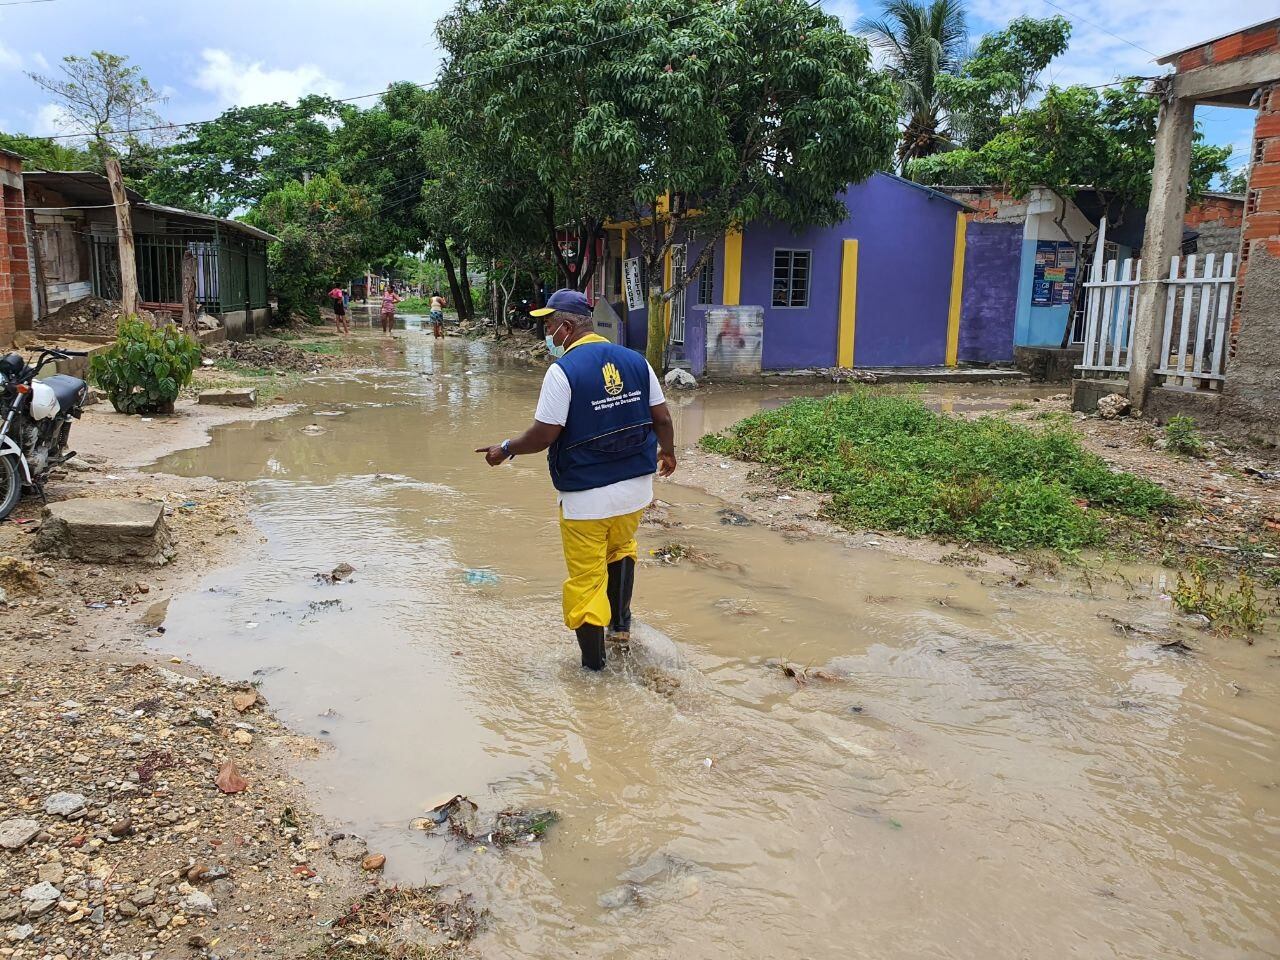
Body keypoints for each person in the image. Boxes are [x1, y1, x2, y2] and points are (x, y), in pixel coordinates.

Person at [476, 288, 677, 671]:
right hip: (636, 489)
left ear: (567, 327)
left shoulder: (562, 371)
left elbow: (543, 435)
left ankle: (595, 670)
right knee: (621, 549)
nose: (547, 334)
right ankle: (620, 628)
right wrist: (667, 452)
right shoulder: (635, 360)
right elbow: (663, 418)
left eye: (549, 325)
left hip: (587, 497)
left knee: (585, 579)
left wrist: (505, 448)